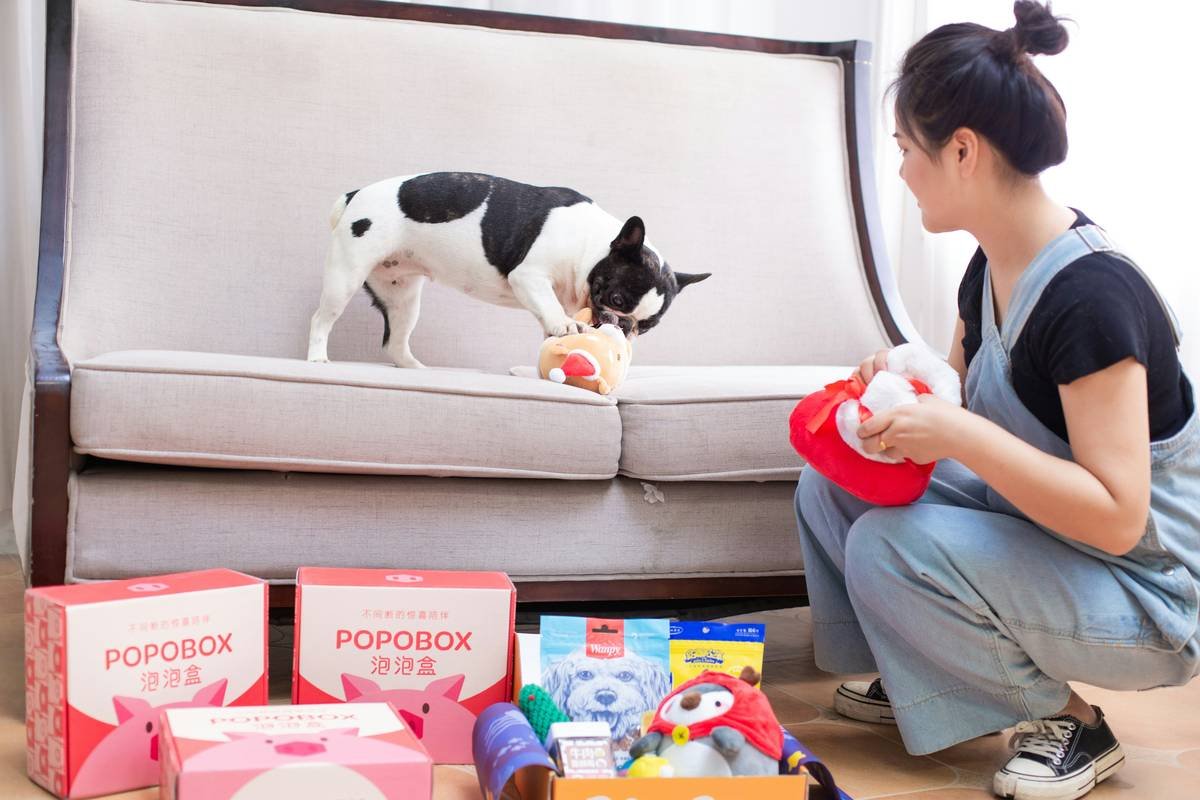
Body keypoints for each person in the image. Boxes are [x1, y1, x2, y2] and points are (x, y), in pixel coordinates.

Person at [793, 3, 1200, 799]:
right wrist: (905, 395)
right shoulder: (988, 269)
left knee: (887, 546)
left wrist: (953, 433)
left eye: (908, 150)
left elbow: (1118, 515)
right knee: (836, 480)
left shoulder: (1092, 299)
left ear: (963, 152)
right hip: (1048, 538)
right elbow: (965, 416)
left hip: (1145, 592)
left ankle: (1070, 722)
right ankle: (931, 670)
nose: (903, 171)